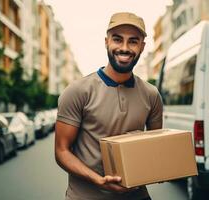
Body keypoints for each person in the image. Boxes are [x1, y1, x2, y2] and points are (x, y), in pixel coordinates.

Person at [55, 12, 163, 200]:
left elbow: (153, 149)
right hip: (86, 196)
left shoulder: (151, 95)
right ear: (106, 42)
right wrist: (98, 180)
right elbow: (61, 151)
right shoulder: (78, 91)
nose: (124, 48)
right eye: (117, 39)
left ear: (142, 47)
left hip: (136, 196)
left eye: (133, 41)